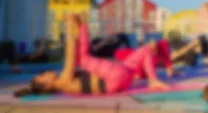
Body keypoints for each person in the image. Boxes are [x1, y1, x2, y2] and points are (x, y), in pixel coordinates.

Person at [13, 14, 169, 97]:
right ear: (47, 85)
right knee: (83, 60)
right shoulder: (63, 82)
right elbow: (70, 54)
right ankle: (153, 79)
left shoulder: (66, 85)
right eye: (43, 75)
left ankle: (153, 80)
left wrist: (80, 28)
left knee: (145, 50)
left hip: (122, 78)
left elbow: (76, 50)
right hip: (115, 78)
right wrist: (69, 25)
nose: (45, 72)